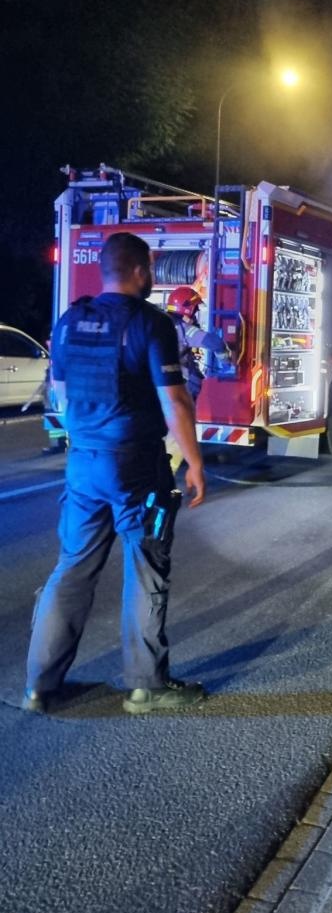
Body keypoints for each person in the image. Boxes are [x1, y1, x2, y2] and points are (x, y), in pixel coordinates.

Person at [22, 232, 207, 715]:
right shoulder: (151, 323)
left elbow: (60, 393)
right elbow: (175, 400)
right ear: (142, 270)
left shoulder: (69, 322)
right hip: (135, 466)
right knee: (146, 566)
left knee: (72, 569)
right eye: (152, 269)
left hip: (82, 463)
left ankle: (40, 688)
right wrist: (195, 461)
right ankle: (145, 687)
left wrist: (88, 436)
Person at [164, 285, 233, 472]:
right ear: (187, 308)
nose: (195, 314)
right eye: (194, 309)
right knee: (177, 437)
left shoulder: (160, 323)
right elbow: (215, 342)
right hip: (180, 389)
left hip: (155, 389)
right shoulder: (183, 328)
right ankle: (166, 478)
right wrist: (226, 361)